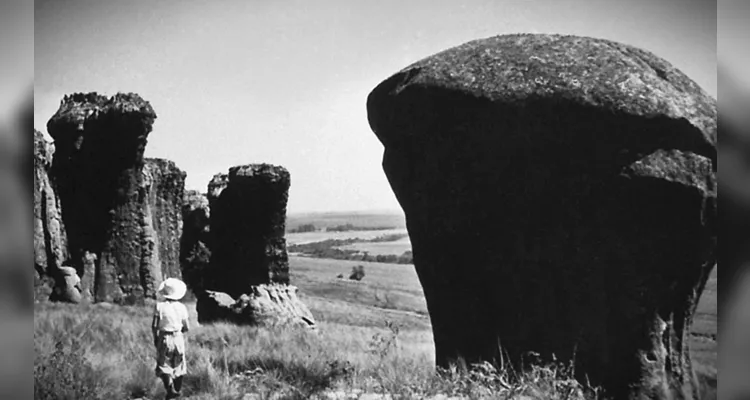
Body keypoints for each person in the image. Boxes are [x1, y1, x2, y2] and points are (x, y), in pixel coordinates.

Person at [152, 278, 190, 399]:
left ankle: (169, 389)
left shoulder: (159, 306)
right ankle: (177, 390)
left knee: (164, 364)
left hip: (164, 337)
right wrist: (181, 330)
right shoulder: (182, 307)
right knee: (179, 364)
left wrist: (156, 338)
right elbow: (187, 326)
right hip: (178, 336)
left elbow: (154, 326)